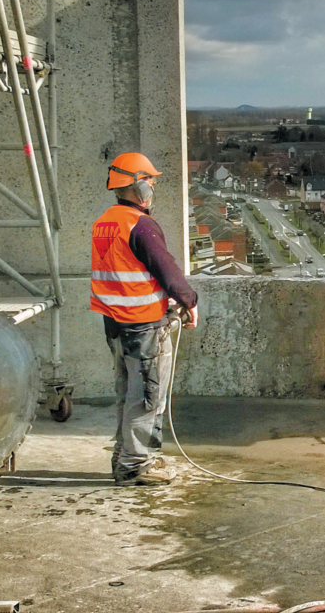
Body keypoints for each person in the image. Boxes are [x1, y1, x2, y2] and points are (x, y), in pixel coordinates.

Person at [90, 152, 198, 486]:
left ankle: (123, 458)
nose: (153, 185)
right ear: (138, 187)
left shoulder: (104, 221)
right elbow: (167, 269)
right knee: (147, 395)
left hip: (115, 323)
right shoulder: (141, 225)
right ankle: (135, 466)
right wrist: (189, 301)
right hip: (143, 326)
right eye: (149, 180)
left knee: (127, 392)